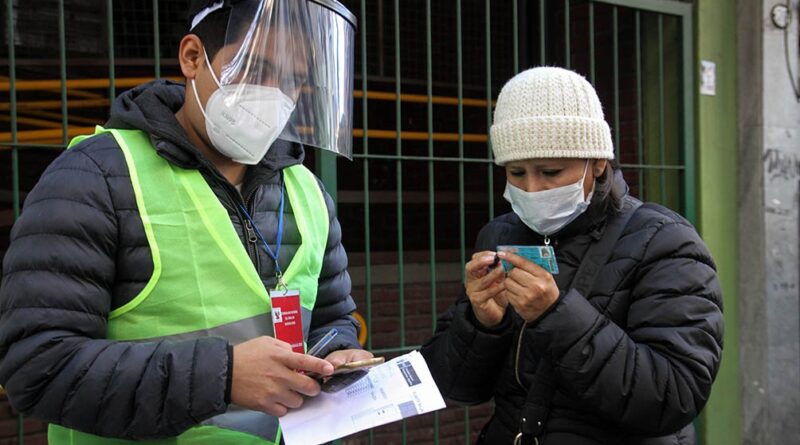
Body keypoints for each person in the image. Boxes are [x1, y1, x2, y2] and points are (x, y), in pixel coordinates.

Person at [0, 0, 371, 443]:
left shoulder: (307, 192)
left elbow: (333, 315)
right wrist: (223, 377)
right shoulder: (97, 178)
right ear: (193, 57)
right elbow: (37, 367)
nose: (273, 93)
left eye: (292, 81)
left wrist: (340, 353)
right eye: (254, 68)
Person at [420, 67, 723, 445]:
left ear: (597, 164)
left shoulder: (665, 243)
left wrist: (556, 316)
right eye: (516, 173)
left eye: (550, 171)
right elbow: (454, 383)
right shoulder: (500, 234)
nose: (532, 189)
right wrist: (481, 323)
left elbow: (674, 395)